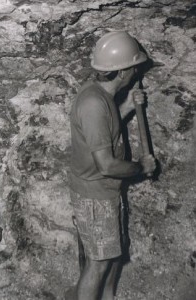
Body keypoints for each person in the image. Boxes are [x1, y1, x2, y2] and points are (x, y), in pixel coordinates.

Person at [68, 31, 156, 300]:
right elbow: (107, 165)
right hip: (95, 195)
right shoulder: (94, 103)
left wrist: (128, 105)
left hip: (105, 192)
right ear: (122, 72)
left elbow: (103, 128)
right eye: (134, 67)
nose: (136, 71)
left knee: (112, 256)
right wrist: (141, 167)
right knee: (98, 262)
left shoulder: (98, 93)